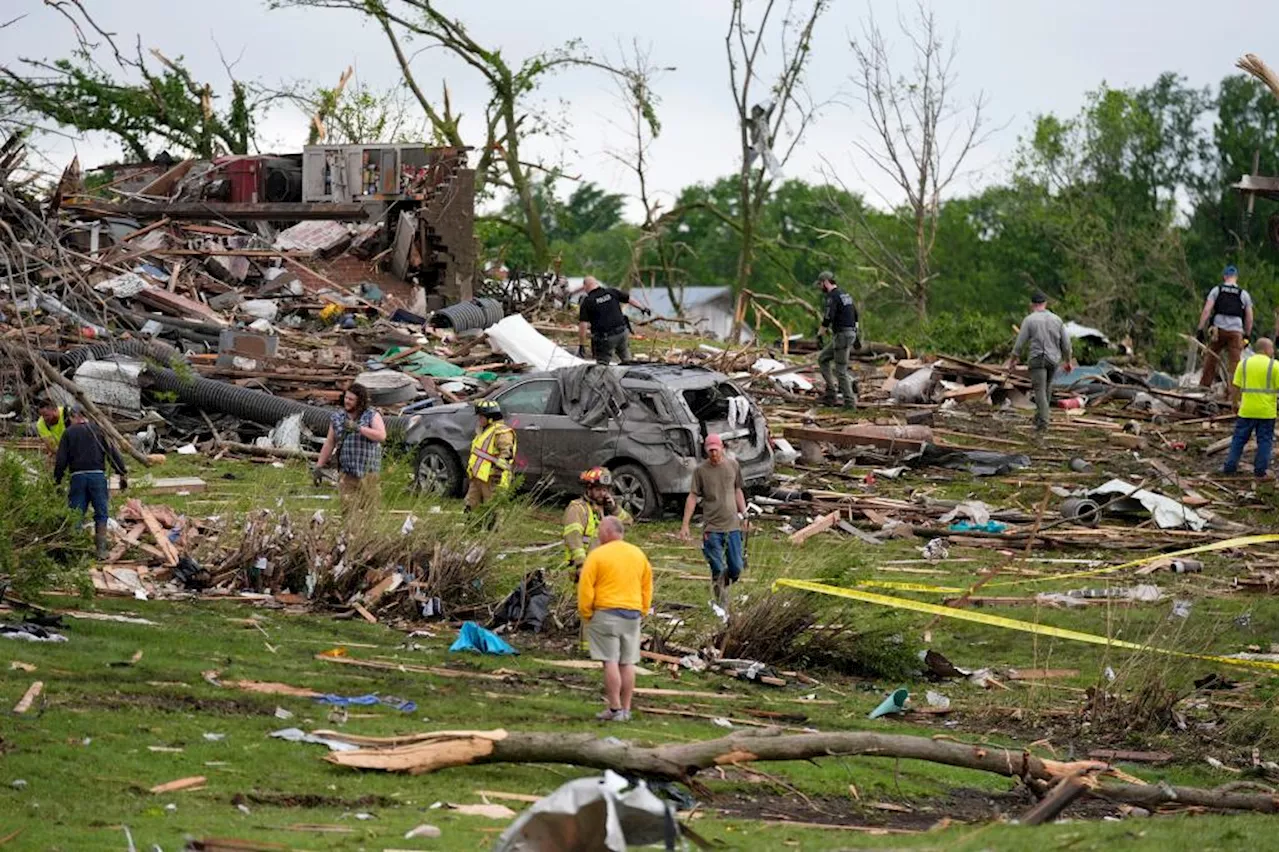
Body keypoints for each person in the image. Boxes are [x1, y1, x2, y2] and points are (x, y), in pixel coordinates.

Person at [578, 516, 652, 722]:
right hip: (632, 613)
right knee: (627, 662)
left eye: (600, 530)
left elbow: (586, 587)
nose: (598, 534)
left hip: (606, 612)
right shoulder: (638, 554)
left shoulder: (597, 555)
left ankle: (614, 708)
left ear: (609, 532)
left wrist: (586, 613)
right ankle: (626, 709)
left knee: (610, 661)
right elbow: (647, 586)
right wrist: (643, 609)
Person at [679, 433, 747, 607]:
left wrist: (744, 514)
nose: (714, 454)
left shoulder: (733, 466)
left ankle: (723, 583)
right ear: (706, 451)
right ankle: (721, 601)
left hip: (732, 525)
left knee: (736, 568)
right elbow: (693, 496)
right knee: (717, 567)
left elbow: (738, 490)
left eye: (716, 450)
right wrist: (685, 524)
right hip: (712, 527)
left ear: (722, 448)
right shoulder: (701, 471)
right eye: (710, 451)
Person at [53, 406, 127, 559]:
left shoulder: (68, 433)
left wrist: (57, 480)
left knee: (76, 514)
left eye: (69, 418)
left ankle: (75, 551)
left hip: (77, 478)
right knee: (101, 513)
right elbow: (112, 452)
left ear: (74, 416)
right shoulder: (99, 430)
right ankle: (101, 550)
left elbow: (61, 460)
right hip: (97, 477)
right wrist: (121, 472)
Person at [1008, 292, 1075, 433]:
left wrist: (1013, 360)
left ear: (1032, 304)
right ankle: (1040, 416)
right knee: (1047, 388)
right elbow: (1067, 344)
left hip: (1037, 359)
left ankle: (1043, 422)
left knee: (1039, 390)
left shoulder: (1029, 320)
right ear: (1045, 303)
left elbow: (1019, 344)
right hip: (1053, 359)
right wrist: (1068, 361)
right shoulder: (1057, 320)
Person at [315, 384, 386, 507]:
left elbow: (381, 436)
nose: (347, 401)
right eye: (346, 398)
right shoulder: (337, 418)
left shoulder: (371, 415)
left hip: (368, 473)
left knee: (370, 511)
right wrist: (319, 466)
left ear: (360, 401)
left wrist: (358, 428)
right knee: (348, 510)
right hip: (347, 473)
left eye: (351, 399)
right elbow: (329, 442)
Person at [1222, 338, 1280, 478]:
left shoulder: (1244, 363)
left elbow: (1236, 386)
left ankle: (1230, 466)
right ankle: (1260, 471)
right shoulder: (1275, 366)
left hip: (1246, 410)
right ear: (1266, 349)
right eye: (1272, 349)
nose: (1273, 351)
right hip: (1266, 412)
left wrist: (1234, 403)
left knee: (1239, 439)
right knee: (1264, 441)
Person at [1198, 265, 1253, 400]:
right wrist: (1247, 334)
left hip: (1218, 331)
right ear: (1236, 278)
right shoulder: (1243, 294)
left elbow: (1206, 310)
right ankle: (1233, 396)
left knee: (1211, 359)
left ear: (1224, 277)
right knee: (1234, 365)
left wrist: (1200, 328)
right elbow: (1249, 316)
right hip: (1236, 332)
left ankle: (1203, 389)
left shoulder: (1217, 290)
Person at [562, 467, 631, 573]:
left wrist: (614, 508)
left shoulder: (606, 509)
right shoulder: (577, 509)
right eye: (598, 489)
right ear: (589, 489)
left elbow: (627, 524)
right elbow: (573, 538)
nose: (603, 493)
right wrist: (581, 564)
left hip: (604, 565)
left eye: (605, 490)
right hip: (584, 567)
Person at [576, 276, 651, 365]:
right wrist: (642, 308)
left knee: (602, 365)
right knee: (627, 359)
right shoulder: (611, 291)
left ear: (585, 286)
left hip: (606, 338)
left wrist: (582, 344)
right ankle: (631, 372)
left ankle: (602, 376)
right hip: (622, 333)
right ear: (596, 284)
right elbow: (628, 299)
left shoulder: (588, 302)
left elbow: (583, 325)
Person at [815, 271, 860, 409]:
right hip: (849, 333)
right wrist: (856, 334)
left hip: (842, 336)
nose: (820, 287)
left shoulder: (832, 297)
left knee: (840, 370)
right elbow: (855, 315)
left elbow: (828, 317)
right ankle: (831, 392)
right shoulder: (845, 295)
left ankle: (849, 403)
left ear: (826, 282)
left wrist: (820, 335)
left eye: (821, 284)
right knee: (823, 358)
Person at [465, 399, 516, 514]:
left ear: (490, 417)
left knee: (493, 508)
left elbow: (506, 455)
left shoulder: (502, 432)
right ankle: (471, 527)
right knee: (470, 504)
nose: (479, 420)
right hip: (478, 476)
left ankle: (494, 530)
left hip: (492, 477)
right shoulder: (485, 431)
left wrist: (497, 474)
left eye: (481, 417)